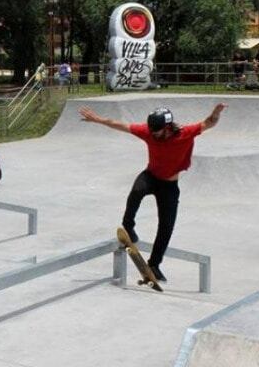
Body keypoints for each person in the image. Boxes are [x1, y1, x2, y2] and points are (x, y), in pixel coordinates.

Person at [78, 103, 227, 282]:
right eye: (152, 132)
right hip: (151, 177)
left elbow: (209, 122)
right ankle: (129, 226)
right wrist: (98, 120)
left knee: (166, 227)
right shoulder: (148, 131)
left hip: (169, 186)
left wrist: (216, 112)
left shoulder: (186, 132)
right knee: (136, 192)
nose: (154, 135)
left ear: (167, 127)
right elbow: (121, 125)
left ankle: (154, 264)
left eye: (157, 132)